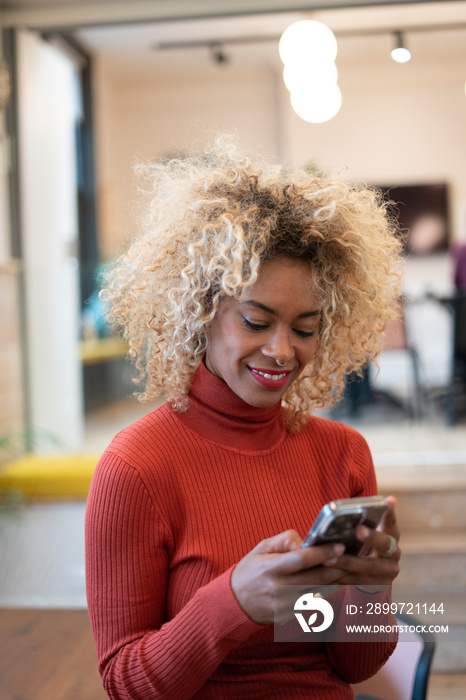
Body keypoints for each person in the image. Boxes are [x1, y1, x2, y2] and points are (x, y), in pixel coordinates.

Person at [85, 136, 403, 700]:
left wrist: (370, 593)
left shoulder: (341, 455)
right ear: (200, 310)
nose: (283, 351)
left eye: (305, 328)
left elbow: (353, 666)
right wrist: (232, 603)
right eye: (256, 322)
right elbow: (126, 684)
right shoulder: (137, 467)